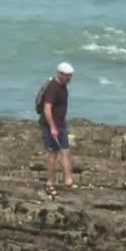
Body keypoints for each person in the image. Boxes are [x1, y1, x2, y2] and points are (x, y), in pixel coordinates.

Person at [38, 62, 75, 196]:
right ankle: (49, 183)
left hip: (61, 124)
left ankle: (68, 179)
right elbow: (47, 108)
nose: (69, 78)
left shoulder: (63, 86)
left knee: (65, 151)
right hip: (50, 125)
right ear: (60, 74)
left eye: (70, 76)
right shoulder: (53, 87)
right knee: (53, 154)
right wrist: (53, 127)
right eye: (67, 76)